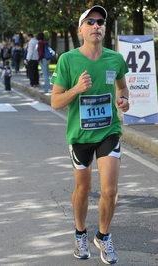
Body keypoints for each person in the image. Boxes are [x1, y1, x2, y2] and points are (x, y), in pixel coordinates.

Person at [50, 5, 129, 265]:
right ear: (80, 29)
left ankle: (103, 236)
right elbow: (55, 102)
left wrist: (123, 99)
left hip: (108, 131)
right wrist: (76, 89)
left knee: (110, 189)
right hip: (79, 136)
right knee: (83, 190)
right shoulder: (68, 60)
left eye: (101, 22)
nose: (97, 26)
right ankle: (80, 233)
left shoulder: (114, 59)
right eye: (91, 22)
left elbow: (121, 86)